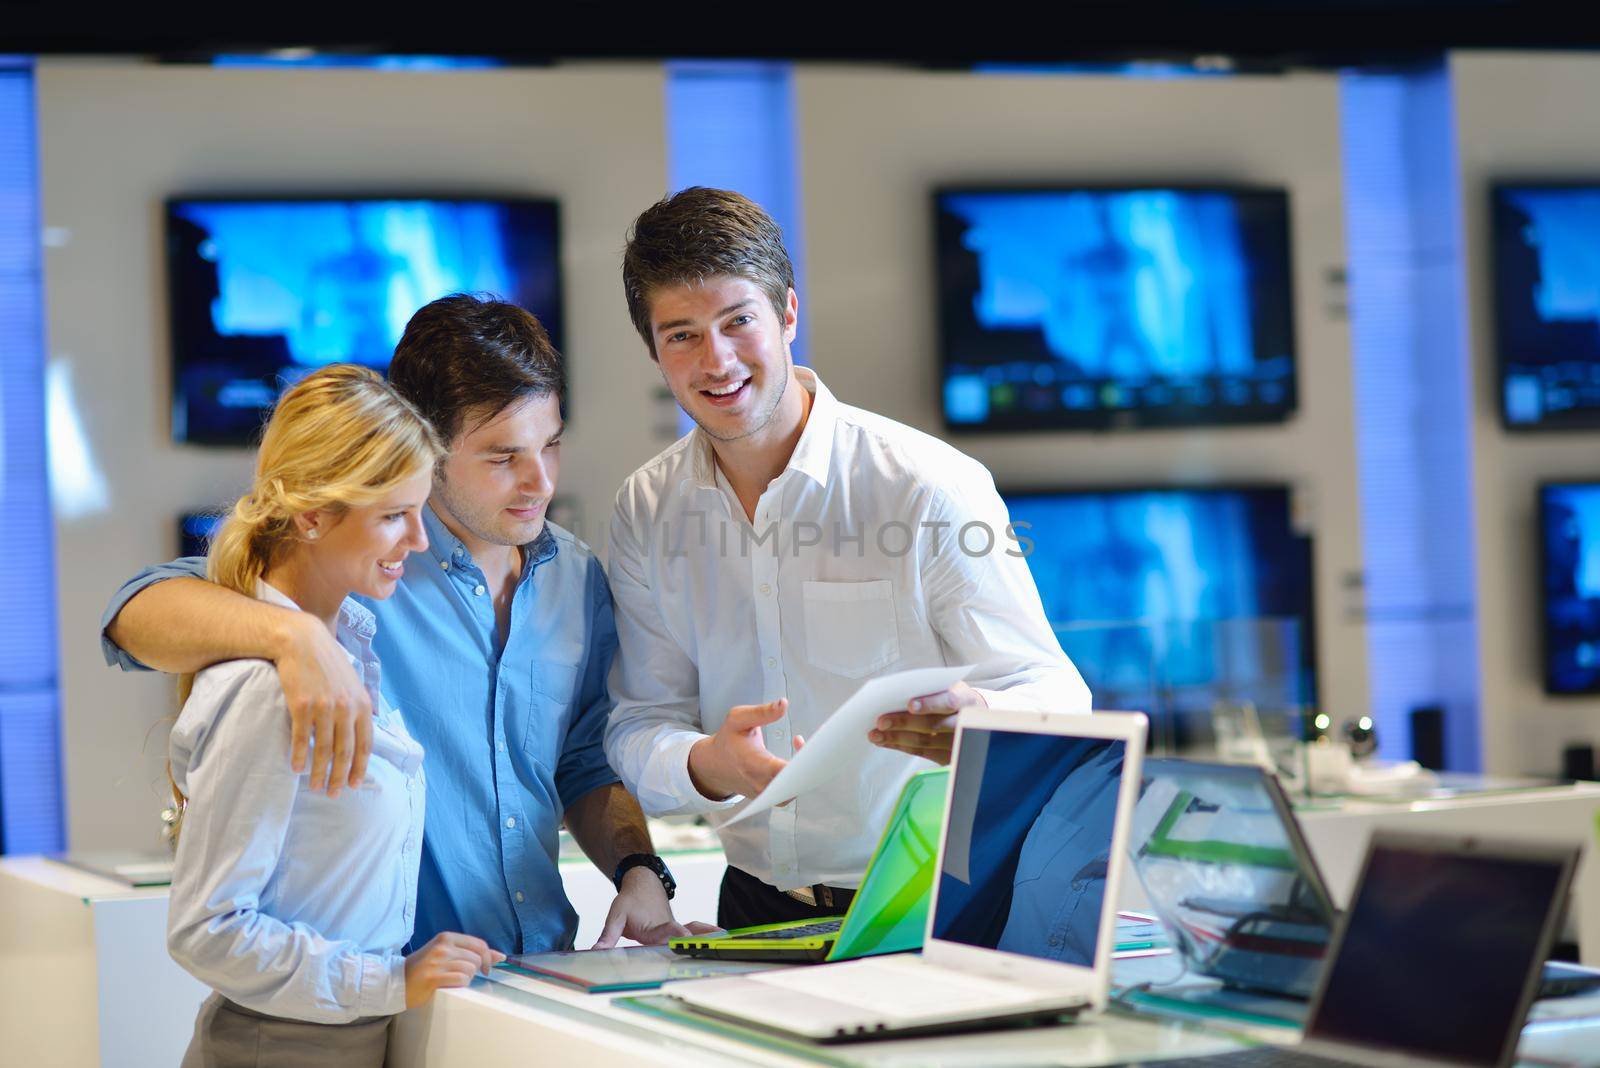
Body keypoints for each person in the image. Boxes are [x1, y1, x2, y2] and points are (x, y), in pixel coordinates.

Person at [105, 296, 705, 954]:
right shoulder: (363, 566)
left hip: (543, 969)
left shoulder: (576, 576)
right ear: (427, 445)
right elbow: (136, 613)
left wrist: (640, 869)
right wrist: (294, 636)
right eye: (503, 458)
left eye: (552, 444)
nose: (541, 481)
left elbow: (584, 764)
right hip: (390, 992)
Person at [605, 187, 1092, 931]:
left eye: (740, 322)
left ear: (788, 314)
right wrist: (707, 763)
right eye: (682, 335)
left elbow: (1057, 690)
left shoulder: (927, 485)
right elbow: (640, 723)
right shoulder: (646, 508)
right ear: (654, 350)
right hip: (752, 909)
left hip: (929, 906)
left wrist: (986, 717)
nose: (718, 360)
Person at [166, 364, 501, 1066]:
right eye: (392, 515)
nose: (417, 539)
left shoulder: (352, 648)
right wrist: (385, 981)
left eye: (419, 510)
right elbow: (207, 928)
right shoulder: (266, 689)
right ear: (313, 515)